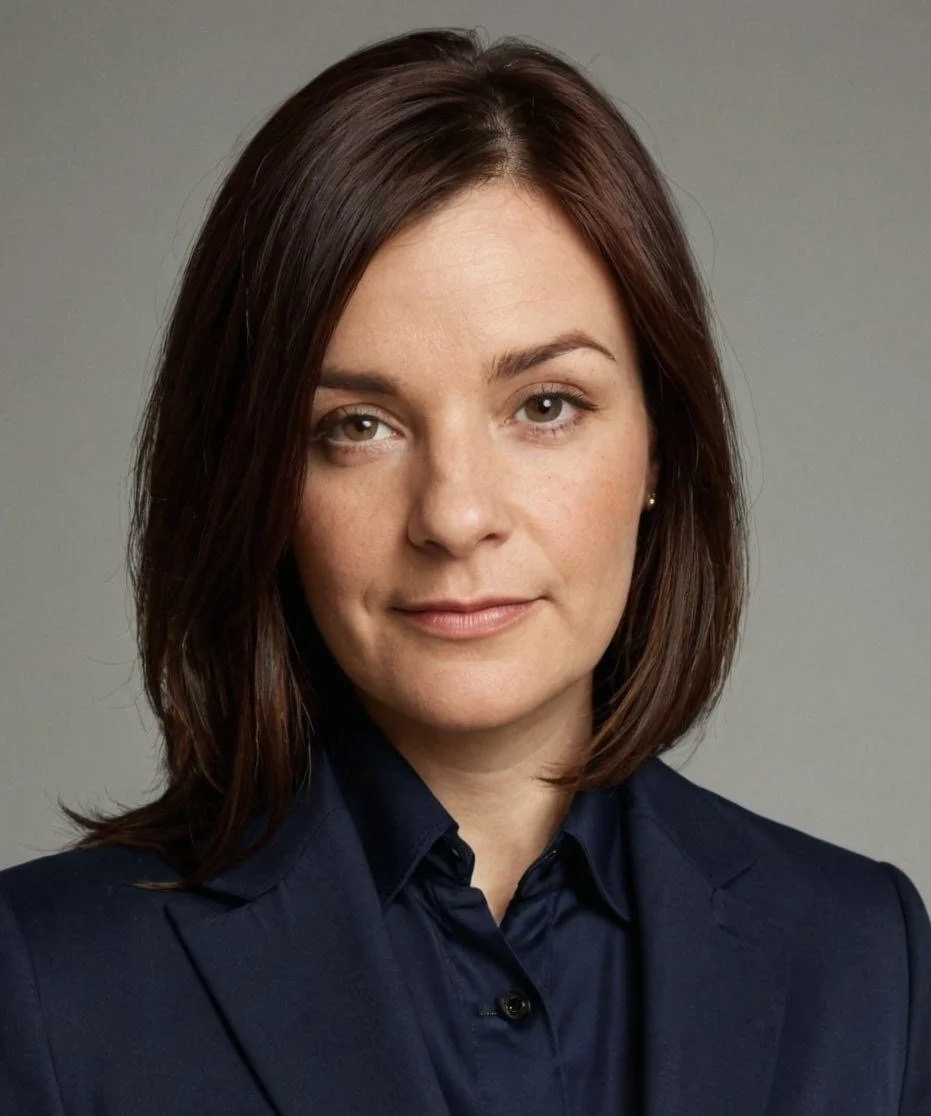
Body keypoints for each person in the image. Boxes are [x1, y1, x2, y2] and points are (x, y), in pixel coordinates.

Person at [1, 25, 928, 1116]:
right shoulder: (46, 981)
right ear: (258, 480)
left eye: (544, 407)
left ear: (659, 448)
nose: (454, 514)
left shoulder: (865, 960)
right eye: (357, 424)